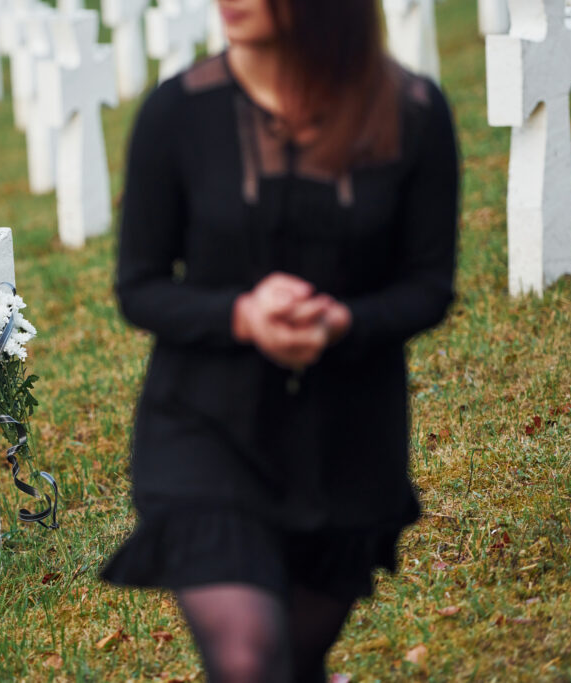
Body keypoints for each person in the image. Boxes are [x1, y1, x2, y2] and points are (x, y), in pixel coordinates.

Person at [98, 0, 461, 680]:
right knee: (248, 658)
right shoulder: (177, 113)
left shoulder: (412, 112)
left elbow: (428, 284)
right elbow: (140, 286)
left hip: (347, 441)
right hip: (204, 428)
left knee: (294, 660)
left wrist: (343, 322)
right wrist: (241, 314)